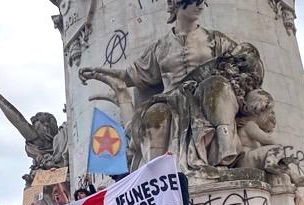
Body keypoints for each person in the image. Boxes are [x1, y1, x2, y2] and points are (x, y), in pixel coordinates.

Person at [80, 0, 264, 171]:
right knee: (155, 117)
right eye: (195, 2)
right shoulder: (160, 47)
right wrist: (99, 71)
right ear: (177, 4)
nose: (200, 7)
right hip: (172, 100)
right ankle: (158, 174)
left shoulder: (216, 40)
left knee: (216, 86)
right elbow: (130, 75)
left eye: (202, 2)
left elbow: (247, 65)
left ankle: (225, 151)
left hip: (206, 96)